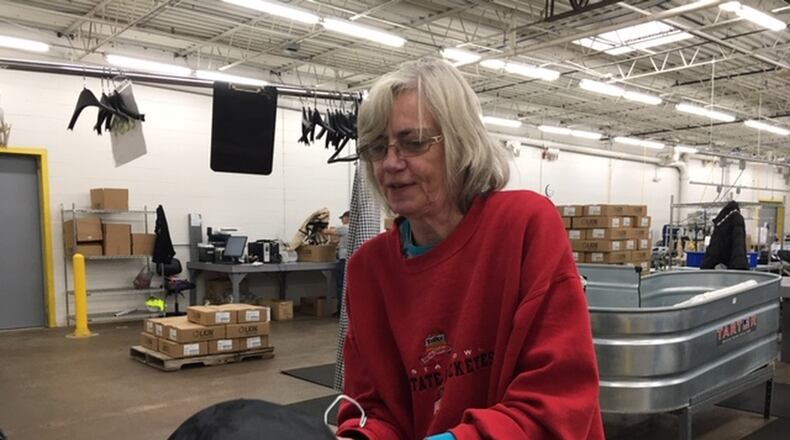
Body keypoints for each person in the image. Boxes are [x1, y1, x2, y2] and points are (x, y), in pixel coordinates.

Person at [335, 57, 604, 439]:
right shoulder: (368, 269)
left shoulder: (524, 226)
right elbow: (371, 405)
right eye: (378, 148)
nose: (391, 163)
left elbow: (557, 399)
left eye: (413, 142)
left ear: (461, 142)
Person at [326, 210, 351, 316]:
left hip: (344, 259)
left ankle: (341, 311)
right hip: (353, 258)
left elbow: (327, 232)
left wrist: (317, 226)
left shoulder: (345, 228)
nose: (342, 220)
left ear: (347, 218)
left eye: (343, 218)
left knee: (341, 285)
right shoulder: (356, 228)